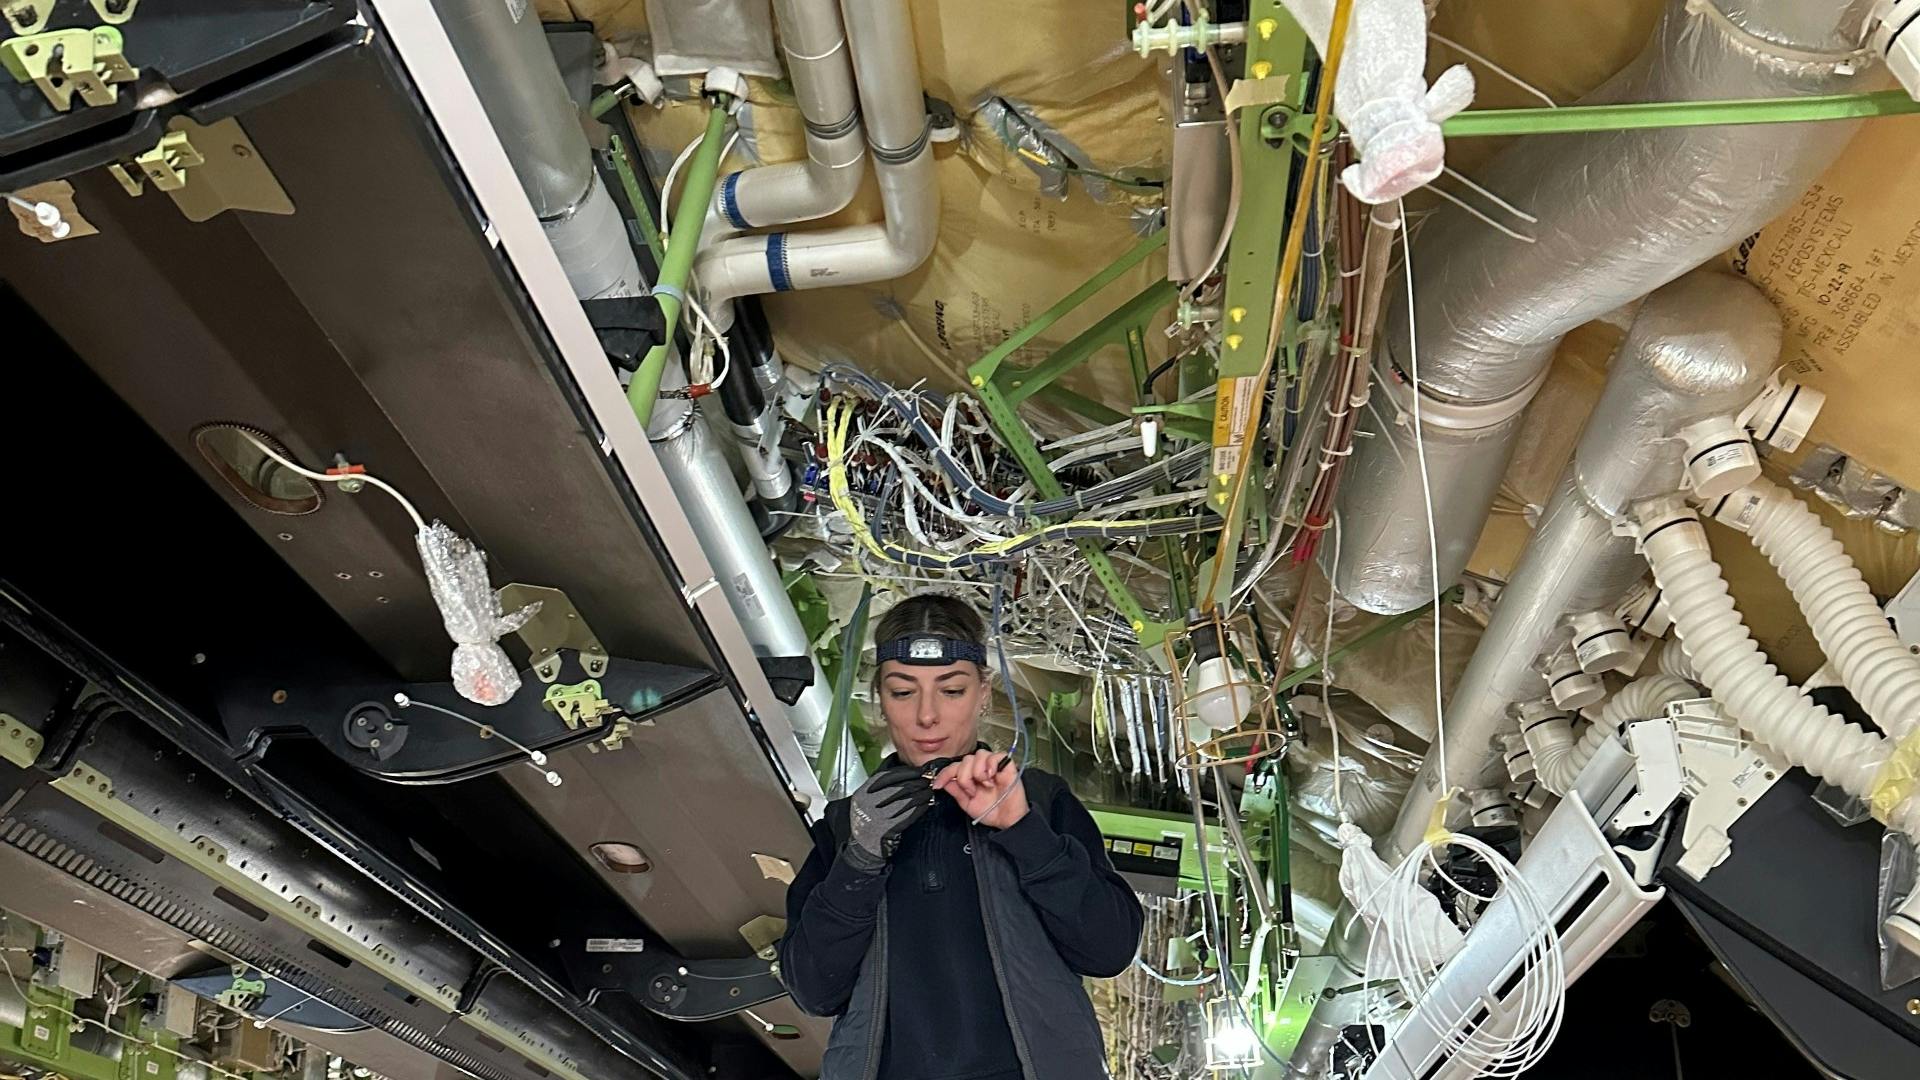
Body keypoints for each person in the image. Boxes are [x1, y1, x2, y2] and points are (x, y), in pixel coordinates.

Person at [779, 593, 1143, 1080]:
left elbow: (1109, 949)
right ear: (879, 697)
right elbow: (813, 992)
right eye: (903, 692)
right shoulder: (848, 826)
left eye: (951, 691)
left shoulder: (1039, 800)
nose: (926, 716)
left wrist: (1023, 830)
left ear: (984, 693)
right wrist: (858, 863)